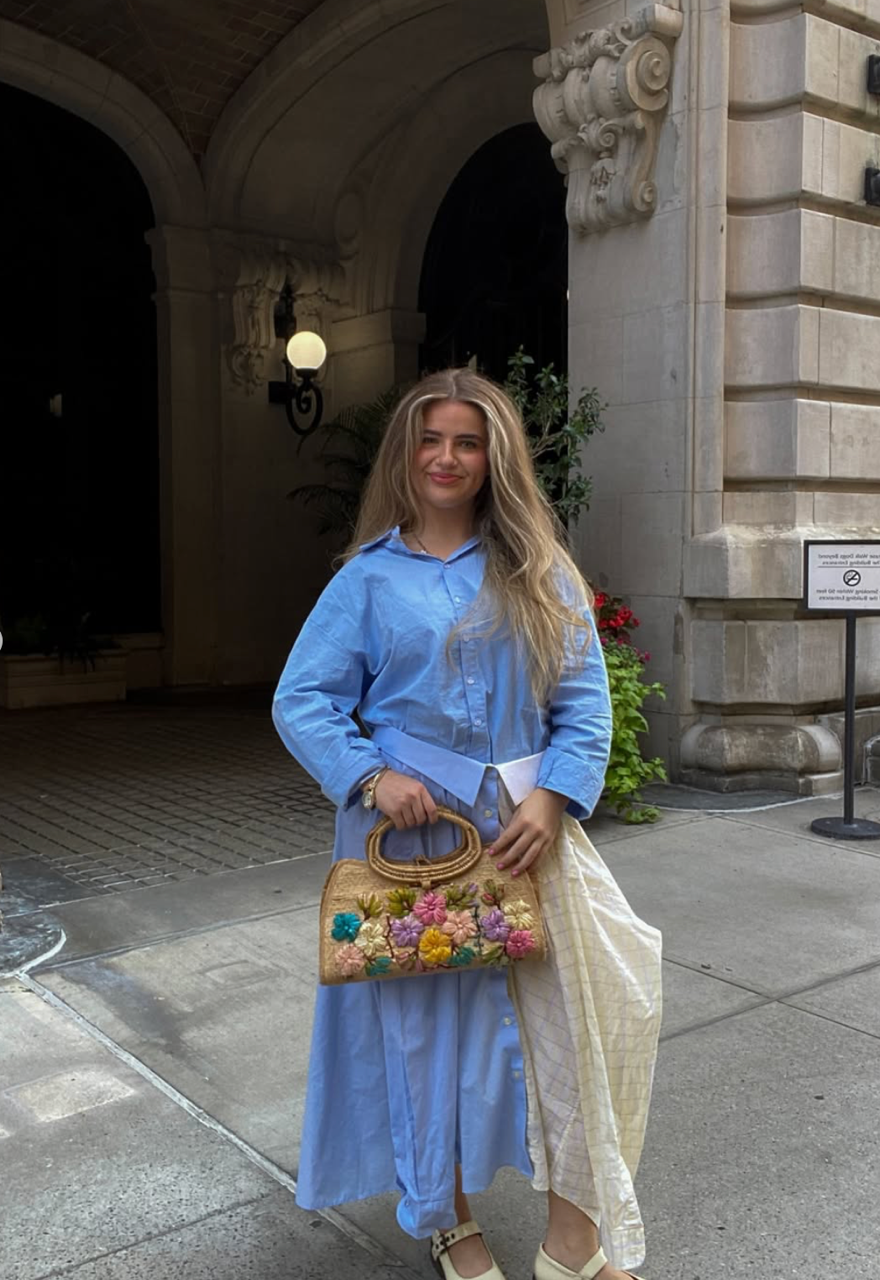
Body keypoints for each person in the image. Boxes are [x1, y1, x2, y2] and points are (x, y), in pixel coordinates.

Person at [272, 368, 660, 1280]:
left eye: (468, 441)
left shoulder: (538, 569)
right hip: (415, 852)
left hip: (528, 839)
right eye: (431, 439)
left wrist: (554, 795)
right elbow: (304, 701)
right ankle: (450, 1223)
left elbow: (583, 702)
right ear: (407, 455)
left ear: (494, 458)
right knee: (424, 1046)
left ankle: (574, 1241)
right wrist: (371, 776)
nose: (447, 457)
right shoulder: (365, 582)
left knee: (579, 1034)